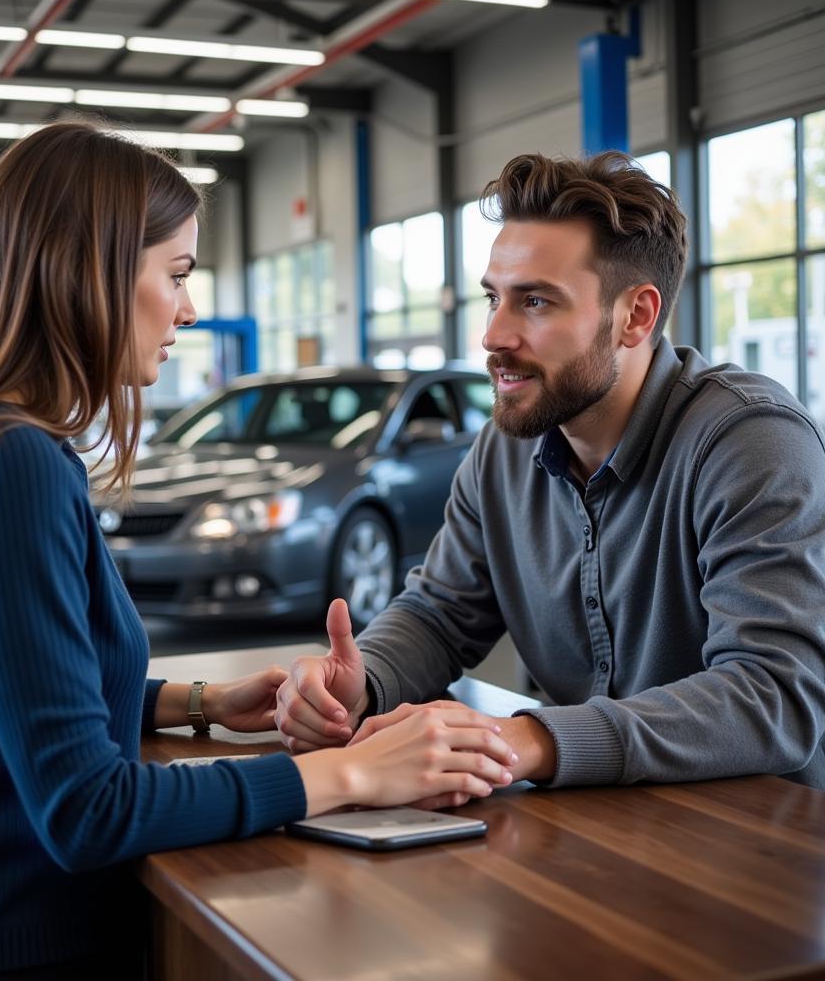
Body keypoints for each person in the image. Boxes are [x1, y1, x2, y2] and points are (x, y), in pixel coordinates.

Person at [0, 121, 518, 981]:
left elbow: (3, 695)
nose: (188, 309)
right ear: (89, 273)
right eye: (177, 274)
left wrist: (201, 701)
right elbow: (88, 810)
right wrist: (350, 775)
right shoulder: (8, 465)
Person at [276, 150, 825, 790]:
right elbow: (440, 613)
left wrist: (534, 738)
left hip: (756, 845)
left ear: (636, 316)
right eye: (494, 298)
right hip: (591, 831)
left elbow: (775, 696)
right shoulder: (503, 450)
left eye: (535, 301)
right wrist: (361, 680)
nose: (493, 335)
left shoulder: (749, 442)